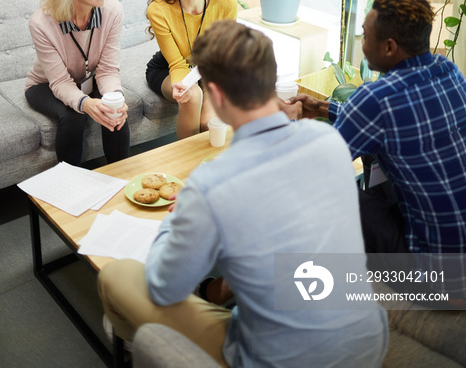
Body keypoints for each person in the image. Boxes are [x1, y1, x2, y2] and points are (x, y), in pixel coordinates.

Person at [99, 21, 388, 368]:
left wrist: (177, 218)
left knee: (117, 276)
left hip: (281, 359)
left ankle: (149, 343)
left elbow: (164, 287)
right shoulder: (328, 141)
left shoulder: (210, 183)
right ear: (271, 77)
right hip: (370, 342)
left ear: (216, 96)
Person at [284, 0, 466, 258]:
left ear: (389, 47)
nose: (364, 44)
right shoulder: (448, 71)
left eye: (366, 37)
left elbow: (317, 168)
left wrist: (278, 129)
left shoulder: (376, 99)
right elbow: (398, 119)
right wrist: (323, 107)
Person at [25, 0, 130, 166]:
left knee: (115, 108)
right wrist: (85, 103)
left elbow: (108, 70)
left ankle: (122, 177)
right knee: (74, 116)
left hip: (87, 79)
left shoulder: (112, 11)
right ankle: (71, 188)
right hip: (46, 85)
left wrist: (116, 99)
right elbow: (60, 82)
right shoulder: (41, 23)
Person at [145, 0, 237, 139]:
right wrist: (182, 86)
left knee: (209, 123)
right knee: (192, 95)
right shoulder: (158, 10)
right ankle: (185, 168)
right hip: (168, 68)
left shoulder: (226, 5)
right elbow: (177, 63)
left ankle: (209, 167)